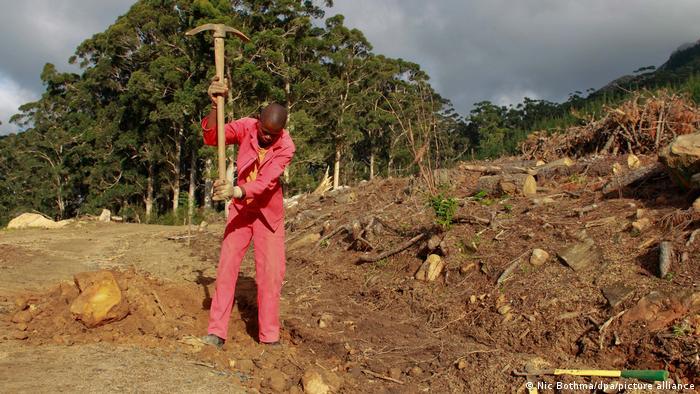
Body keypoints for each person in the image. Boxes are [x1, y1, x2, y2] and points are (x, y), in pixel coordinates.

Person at [200, 76, 295, 348]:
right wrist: (216, 104)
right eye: (264, 130)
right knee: (227, 268)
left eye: (272, 134)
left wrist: (235, 191)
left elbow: (266, 183)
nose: (266, 136)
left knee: (271, 273)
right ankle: (216, 332)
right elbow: (212, 137)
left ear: (282, 131)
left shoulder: (286, 146)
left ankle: (269, 336)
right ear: (258, 121)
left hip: (267, 214)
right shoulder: (246, 127)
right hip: (241, 212)